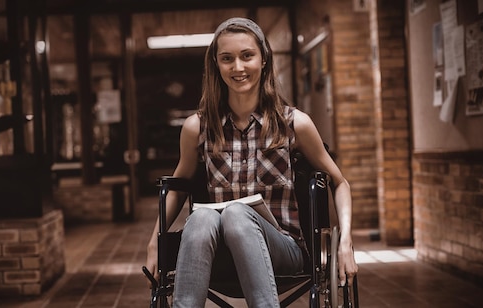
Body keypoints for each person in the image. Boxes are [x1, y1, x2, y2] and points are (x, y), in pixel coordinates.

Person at [145, 17, 358, 307]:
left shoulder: (294, 124)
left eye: (247, 56)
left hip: (283, 248)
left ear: (264, 60)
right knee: (202, 217)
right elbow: (178, 187)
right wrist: (154, 242)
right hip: (218, 252)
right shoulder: (198, 127)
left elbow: (339, 182)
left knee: (236, 214)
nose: (238, 67)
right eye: (227, 59)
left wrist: (345, 242)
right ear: (216, 66)